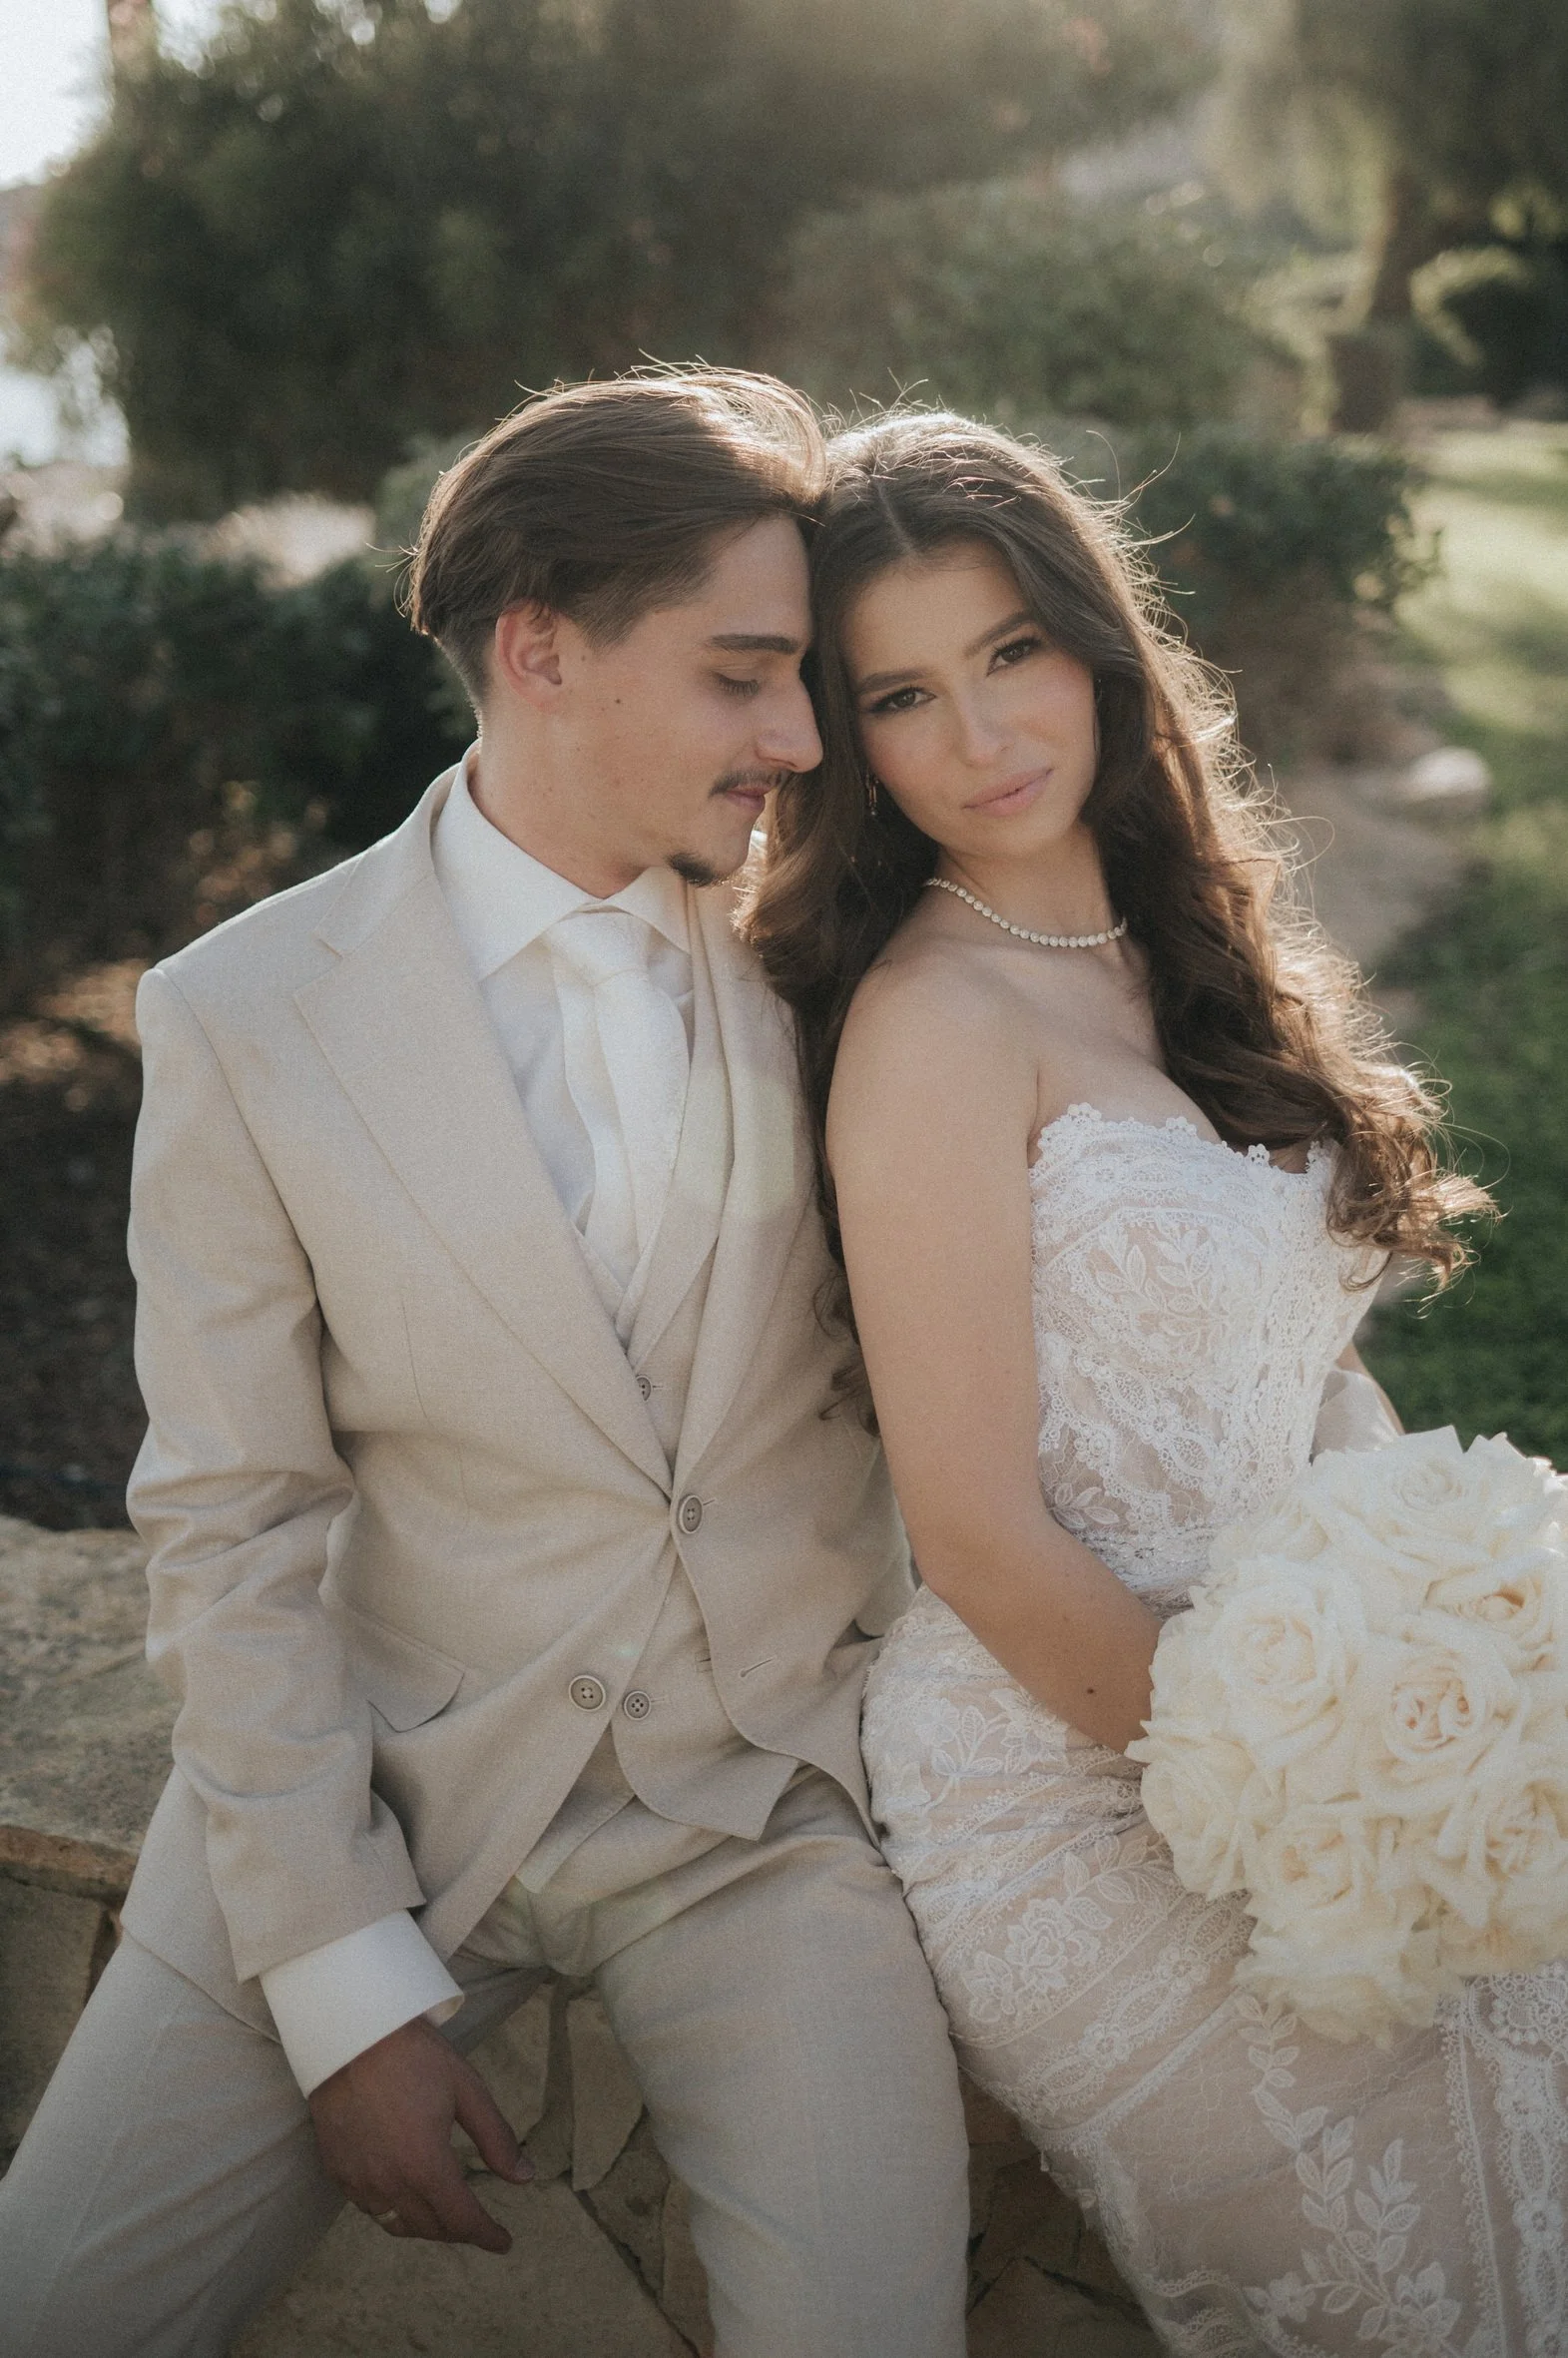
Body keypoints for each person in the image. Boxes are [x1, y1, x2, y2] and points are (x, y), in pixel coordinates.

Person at [0, 372, 971, 2358]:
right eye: (739, 675)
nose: (797, 736)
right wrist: (343, 1984)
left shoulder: (849, 957)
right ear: (538, 647)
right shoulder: (248, 1013)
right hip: (379, 1792)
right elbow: (233, 1519)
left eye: (798, 680)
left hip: (757, 1819)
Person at [745, 408, 1568, 2355]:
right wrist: (1297, 1806)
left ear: (1095, 644)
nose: (980, 732)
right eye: (902, 694)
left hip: (1309, 1726)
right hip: (1067, 1781)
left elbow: (1306, 1392)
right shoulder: (927, 1024)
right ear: (847, 740)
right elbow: (969, 1525)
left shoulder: (1174, 940)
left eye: (1011, 650)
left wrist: (1447, 1648)